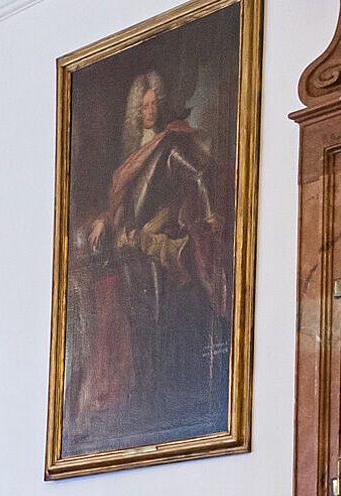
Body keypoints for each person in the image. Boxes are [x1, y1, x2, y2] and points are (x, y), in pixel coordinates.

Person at [66, 68, 234, 448]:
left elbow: (198, 175)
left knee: (159, 314)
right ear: (135, 111)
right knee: (135, 318)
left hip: (157, 239)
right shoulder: (133, 151)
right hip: (129, 243)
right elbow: (122, 204)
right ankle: (144, 391)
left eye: (155, 102)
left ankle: (164, 393)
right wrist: (105, 222)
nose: (150, 110)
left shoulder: (169, 144)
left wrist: (206, 215)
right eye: (144, 105)